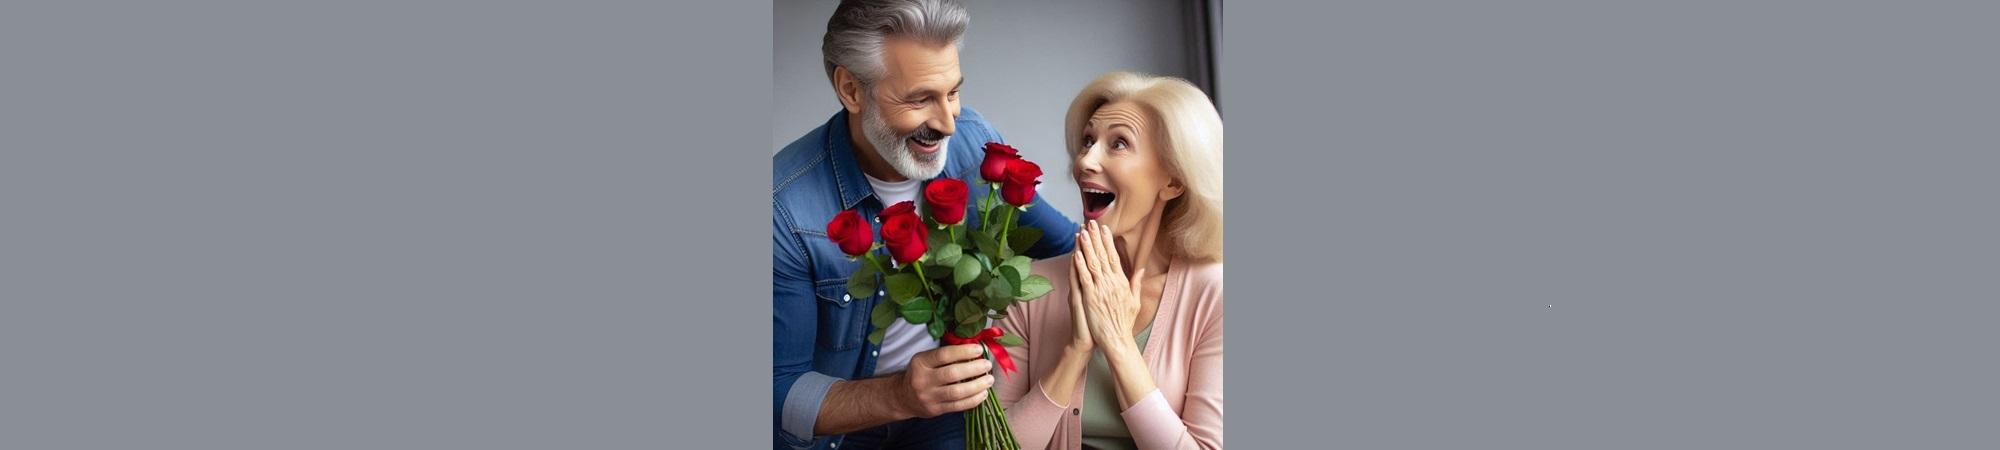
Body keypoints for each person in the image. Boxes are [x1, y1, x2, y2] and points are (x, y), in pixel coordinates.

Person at [771, 1, 1080, 448]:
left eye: (953, 92)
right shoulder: (785, 208)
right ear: (851, 90)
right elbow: (778, 391)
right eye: (920, 99)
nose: (948, 122)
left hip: (954, 419)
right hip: (837, 433)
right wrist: (900, 395)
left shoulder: (974, 143)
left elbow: (1063, 245)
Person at [995, 72, 1224, 450]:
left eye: (1118, 143)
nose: (1085, 160)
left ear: (1173, 181)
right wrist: (1075, 351)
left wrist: (1118, 342)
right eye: (1087, 141)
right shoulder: (1028, 288)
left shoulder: (1215, 294)